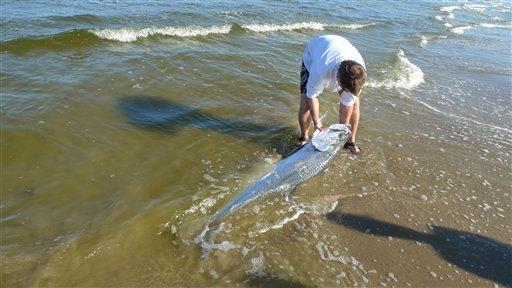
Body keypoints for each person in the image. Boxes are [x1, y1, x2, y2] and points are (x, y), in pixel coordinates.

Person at [298, 35, 366, 155]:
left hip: (342, 46)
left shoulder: (359, 73)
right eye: (343, 89)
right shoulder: (320, 70)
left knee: (355, 103)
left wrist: (343, 128)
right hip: (315, 52)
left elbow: (347, 103)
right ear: (338, 79)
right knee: (305, 104)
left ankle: (350, 141)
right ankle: (304, 138)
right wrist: (317, 121)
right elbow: (311, 96)